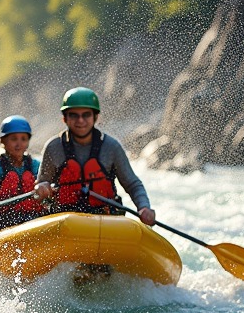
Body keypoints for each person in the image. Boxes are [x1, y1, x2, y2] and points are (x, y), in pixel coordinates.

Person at [34, 88, 156, 225]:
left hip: (104, 219)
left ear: (96, 117)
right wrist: (42, 188)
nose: (80, 120)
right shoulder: (53, 147)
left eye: (86, 115)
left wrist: (144, 207)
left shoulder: (112, 147)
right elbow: (41, 187)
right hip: (65, 221)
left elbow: (133, 184)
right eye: (74, 115)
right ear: (65, 118)